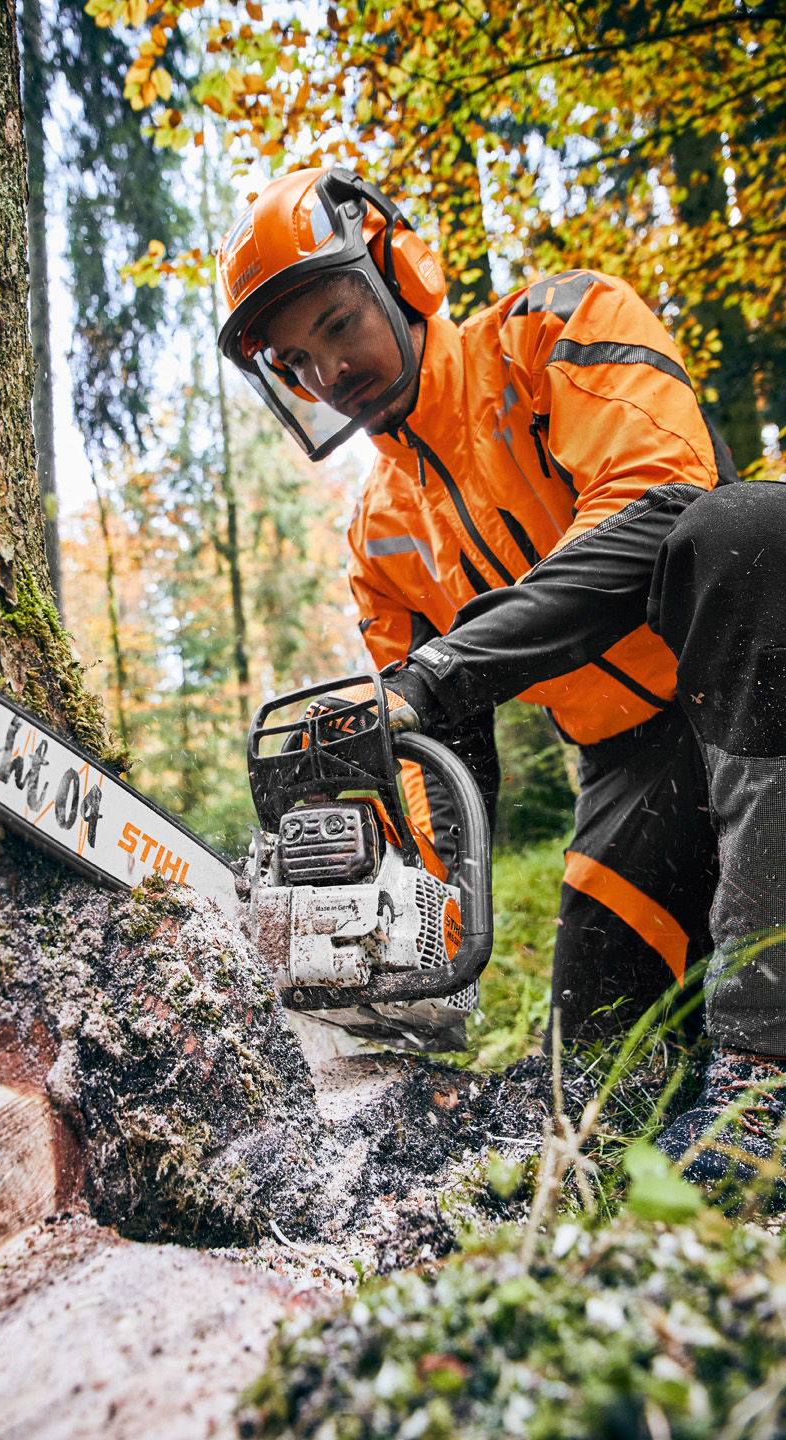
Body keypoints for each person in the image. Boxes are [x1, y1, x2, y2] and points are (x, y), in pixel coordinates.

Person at [216, 165, 786, 1183]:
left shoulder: (559, 327)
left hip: (744, 695)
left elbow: (657, 506)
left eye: (339, 325)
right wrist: (415, 919)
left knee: (751, 527)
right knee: (592, 1091)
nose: (329, 369)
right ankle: (683, 1090)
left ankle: (764, 1078)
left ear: (403, 273)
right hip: (630, 768)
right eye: (298, 362)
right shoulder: (378, 533)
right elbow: (434, 755)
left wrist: (438, 669)